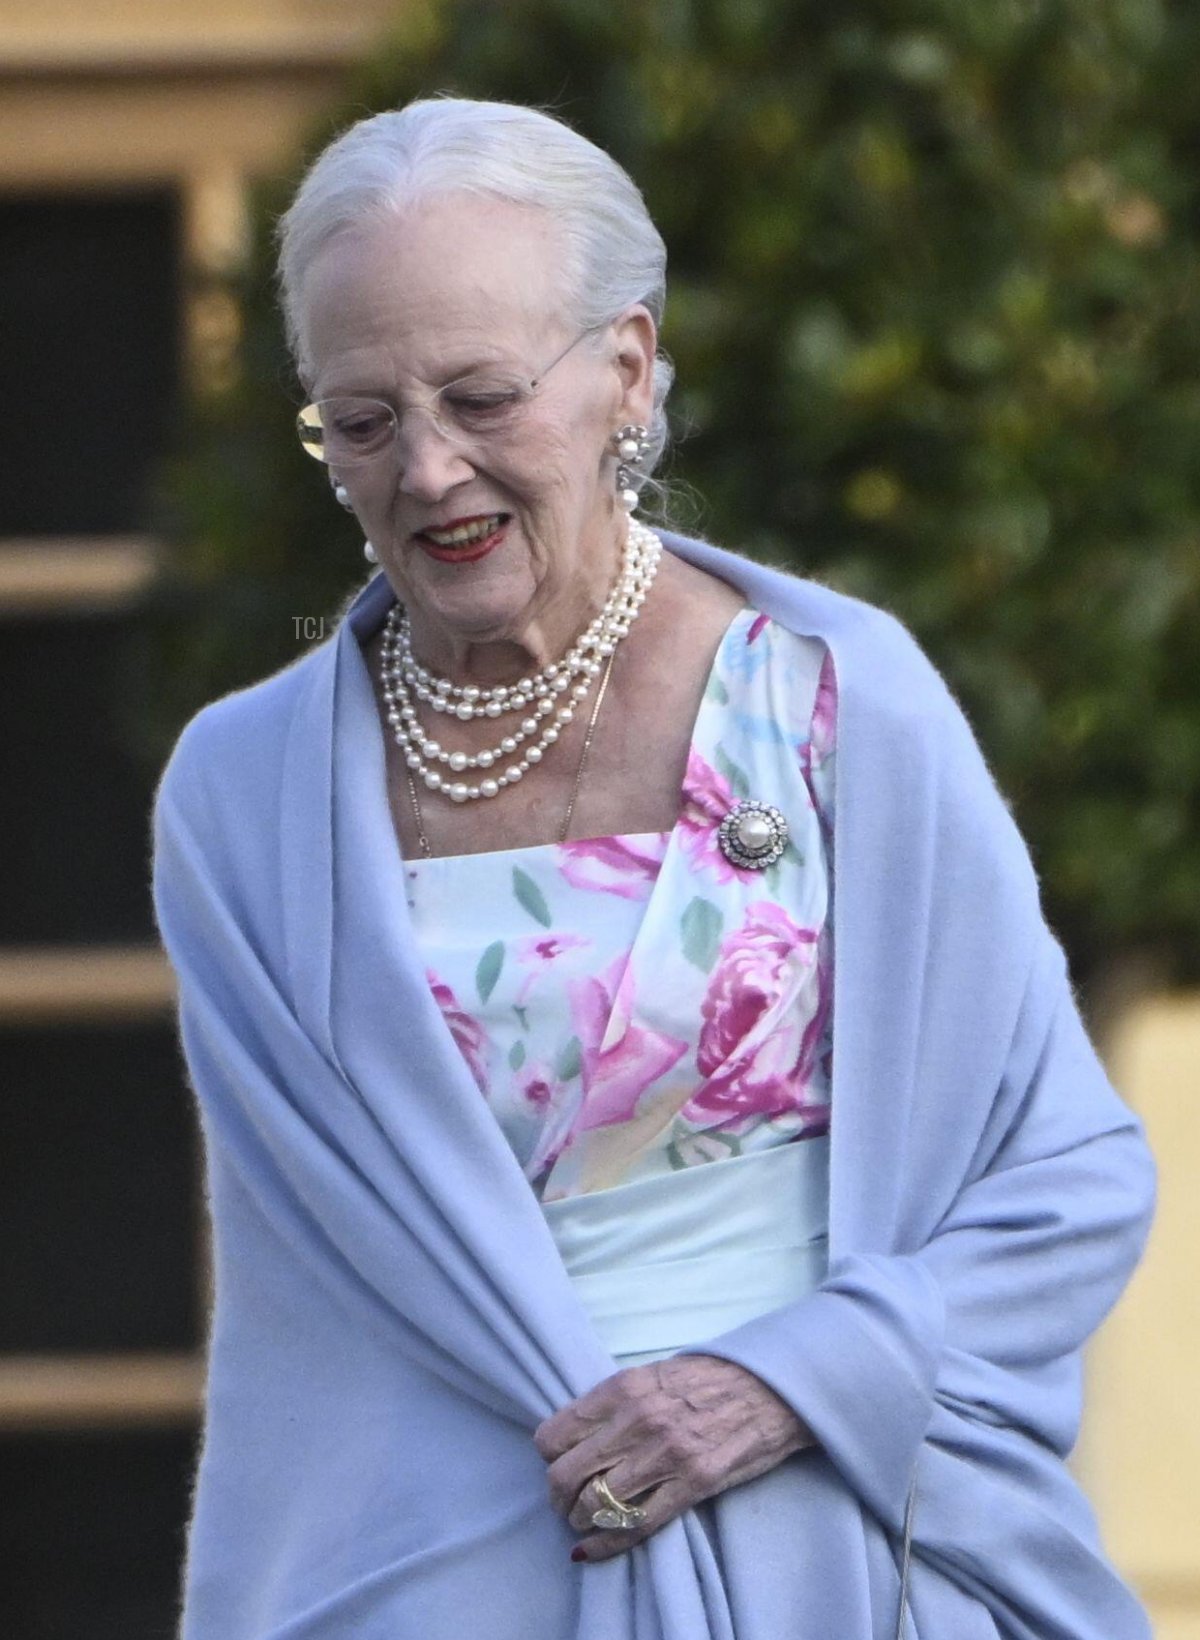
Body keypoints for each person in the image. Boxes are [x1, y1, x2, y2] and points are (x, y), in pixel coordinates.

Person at [151, 97, 1155, 1640]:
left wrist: (785, 1384)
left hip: (846, 1557)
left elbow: (1067, 1184)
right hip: (438, 1576)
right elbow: (315, 1319)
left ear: (625, 369)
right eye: (361, 421)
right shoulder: (241, 795)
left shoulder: (841, 705)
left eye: (483, 396)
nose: (426, 471)